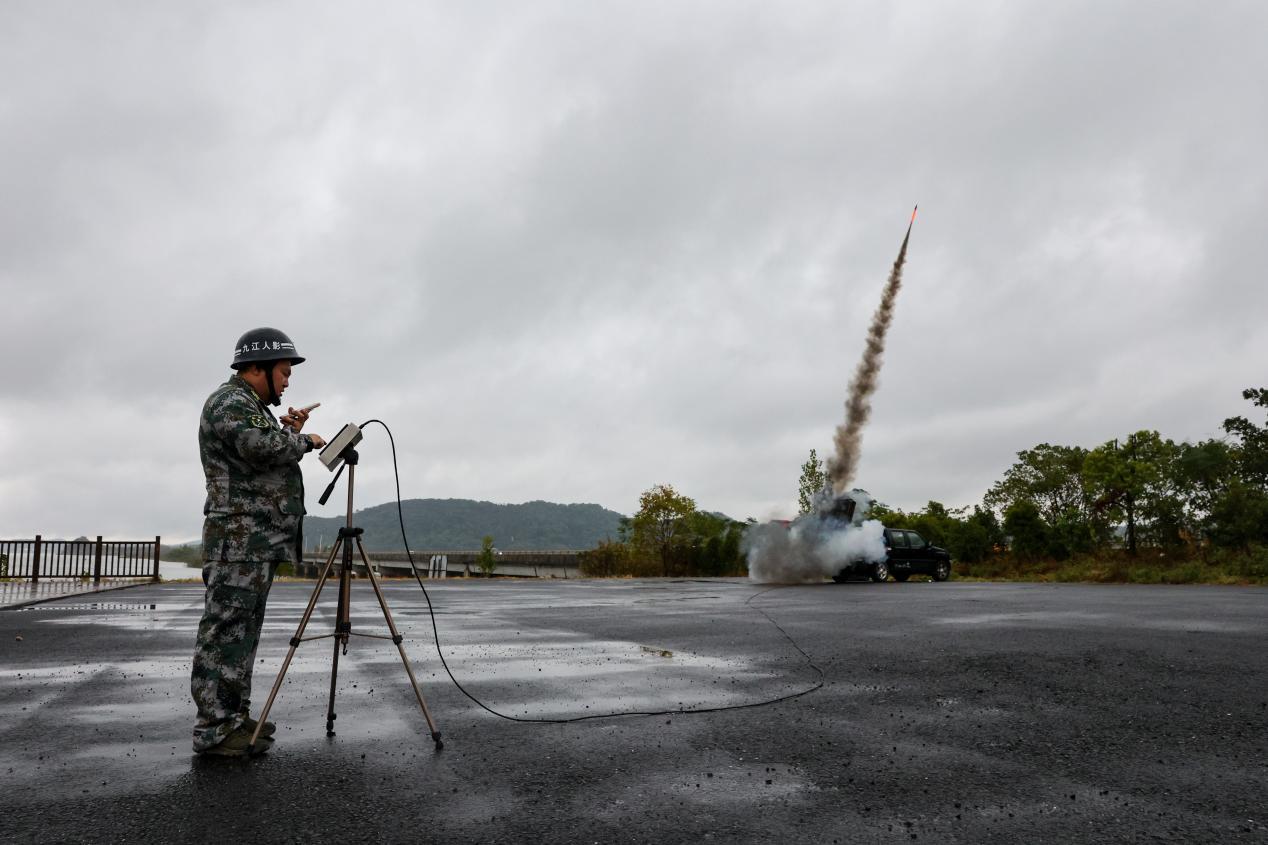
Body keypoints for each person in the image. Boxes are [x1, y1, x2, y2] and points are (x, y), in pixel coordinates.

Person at [191, 327, 326, 757]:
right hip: (238, 541)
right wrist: (302, 440)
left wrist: (286, 430)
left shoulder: (250, 406)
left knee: (243, 631)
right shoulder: (230, 402)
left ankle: (233, 715)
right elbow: (260, 445)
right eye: (283, 372)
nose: (287, 382)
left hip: (253, 542)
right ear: (256, 368)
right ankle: (214, 728)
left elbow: (263, 444)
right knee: (227, 628)